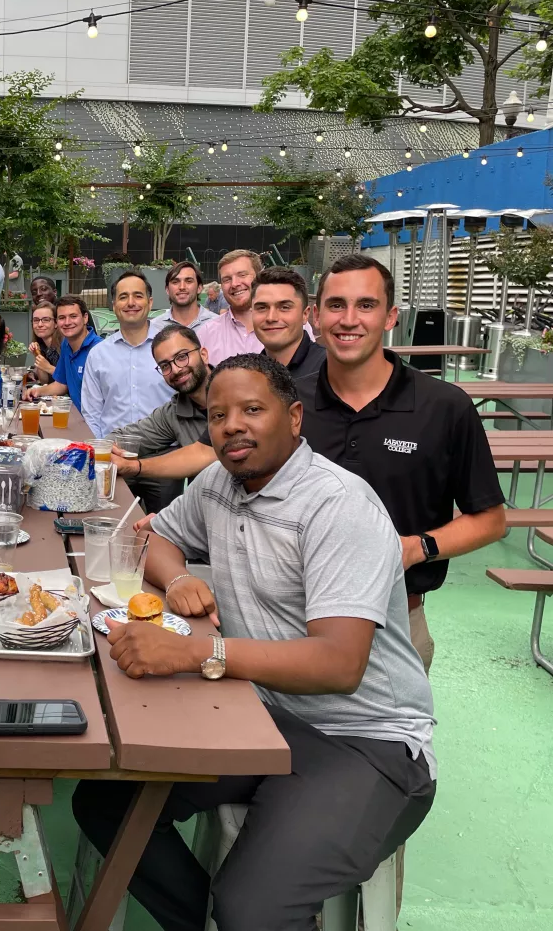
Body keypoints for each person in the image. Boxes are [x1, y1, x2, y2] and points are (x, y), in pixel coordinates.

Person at [73, 353, 437, 931]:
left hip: (365, 742)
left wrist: (200, 653)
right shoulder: (221, 481)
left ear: (294, 418)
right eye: (218, 415)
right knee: (106, 804)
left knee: (255, 908)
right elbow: (156, 540)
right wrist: (183, 578)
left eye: (251, 410)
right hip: (261, 717)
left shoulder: (337, 506)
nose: (232, 426)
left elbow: (340, 664)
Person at [298, 254, 506, 671]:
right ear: (315, 316)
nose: (349, 319)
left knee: (397, 738)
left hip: (396, 625)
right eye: (336, 305)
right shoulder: (288, 403)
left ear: (390, 316)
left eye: (366, 305)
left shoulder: (445, 407)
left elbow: (490, 519)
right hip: (290, 618)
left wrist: (418, 548)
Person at [110, 323, 210, 513]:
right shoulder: (174, 412)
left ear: (203, 354)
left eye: (182, 357)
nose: (176, 369)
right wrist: (99, 448)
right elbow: (128, 436)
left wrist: (135, 467)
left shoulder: (233, 393)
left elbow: (204, 455)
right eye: (165, 365)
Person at [80, 270, 173, 438]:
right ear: (114, 305)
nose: (131, 303)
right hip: (114, 453)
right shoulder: (98, 355)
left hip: (166, 454)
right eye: (123, 297)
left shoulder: (172, 347)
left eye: (138, 296)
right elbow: (92, 414)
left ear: (150, 302)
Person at [197, 251, 313, 363]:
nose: (234, 284)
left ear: (258, 276)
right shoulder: (206, 333)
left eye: (242, 275)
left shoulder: (294, 325)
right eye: (227, 279)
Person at [28, 296, 102, 411]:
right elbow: (61, 384)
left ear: (85, 318)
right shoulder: (66, 345)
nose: (67, 322)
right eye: (62, 317)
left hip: (99, 424)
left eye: (73, 316)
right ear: (57, 321)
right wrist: (37, 391)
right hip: (77, 417)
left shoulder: (99, 349)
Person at [251, 266, 327, 378]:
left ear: (305, 314)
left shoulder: (331, 370)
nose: (271, 317)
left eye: (284, 307)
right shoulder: (250, 374)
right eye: (262, 307)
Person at [161, 261, 217, 330]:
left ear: (199, 288)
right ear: (167, 290)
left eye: (189, 281)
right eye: (175, 282)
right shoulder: (154, 327)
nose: (182, 287)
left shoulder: (218, 324)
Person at [27, 301, 60, 383]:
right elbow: (44, 381)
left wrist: (48, 367)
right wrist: (37, 355)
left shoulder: (64, 344)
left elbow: (70, 378)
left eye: (46, 320)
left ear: (56, 323)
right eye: (36, 320)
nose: (40, 324)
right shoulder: (42, 345)